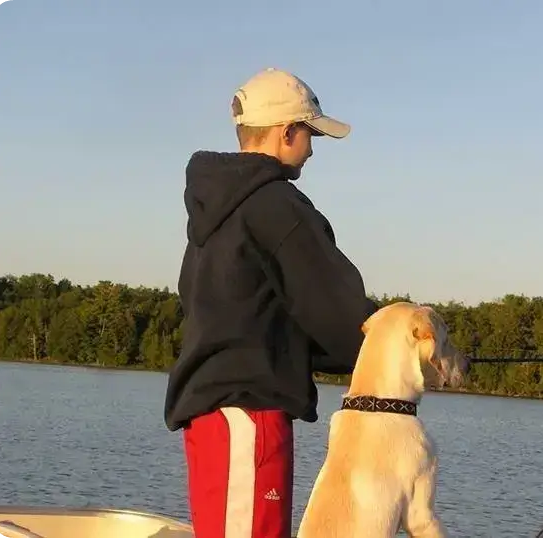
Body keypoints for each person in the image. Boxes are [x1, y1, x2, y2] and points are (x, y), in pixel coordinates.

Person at [164, 67, 378, 538]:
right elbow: (339, 314)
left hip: (213, 417)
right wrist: (399, 345)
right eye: (310, 133)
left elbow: (262, 310)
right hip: (248, 416)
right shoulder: (278, 206)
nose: (313, 147)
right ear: (287, 132)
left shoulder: (215, 209)